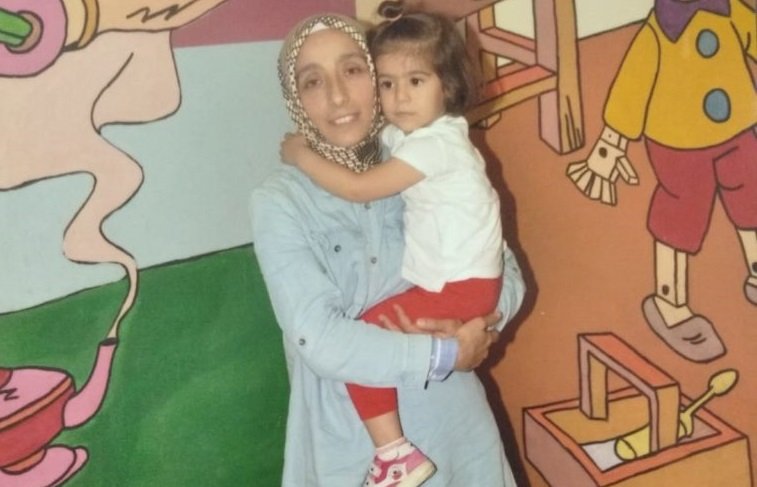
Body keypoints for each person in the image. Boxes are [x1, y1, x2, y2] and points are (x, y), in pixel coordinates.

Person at [250, 12, 525, 487]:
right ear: (295, 97)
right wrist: (441, 353)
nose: (337, 95)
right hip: (353, 444)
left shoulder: (417, 157)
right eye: (313, 81)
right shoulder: (280, 202)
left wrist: (478, 326)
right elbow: (318, 337)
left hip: (454, 426)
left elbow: (507, 272)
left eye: (352, 70)